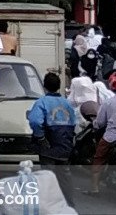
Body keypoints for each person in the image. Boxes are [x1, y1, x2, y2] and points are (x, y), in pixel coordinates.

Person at [27, 72, 76, 207]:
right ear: (59, 86)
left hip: (49, 142)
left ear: (44, 86)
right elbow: (74, 122)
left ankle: (47, 205)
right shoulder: (67, 103)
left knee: (47, 175)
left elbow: (35, 121)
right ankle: (69, 205)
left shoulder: (41, 102)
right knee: (65, 175)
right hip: (65, 142)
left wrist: (40, 137)